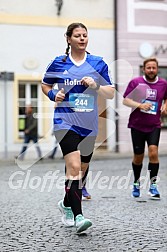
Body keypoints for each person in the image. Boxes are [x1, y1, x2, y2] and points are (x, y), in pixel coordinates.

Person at [41, 22, 115, 233]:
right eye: (78, 35)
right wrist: (54, 95)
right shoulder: (59, 63)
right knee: (73, 167)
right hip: (64, 122)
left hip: (89, 124)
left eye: (85, 35)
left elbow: (110, 92)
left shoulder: (97, 63)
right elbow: (45, 84)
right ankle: (79, 216)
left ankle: (66, 203)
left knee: (81, 171)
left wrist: (95, 85)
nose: (82, 38)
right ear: (68, 39)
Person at [123, 57, 167, 199]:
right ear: (144, 69)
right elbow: (125, 100)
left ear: (157, 69)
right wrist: (140, 105)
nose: (151, 70)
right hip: (137, 125)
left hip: (154, 124)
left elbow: (166, 98)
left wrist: (165, 106)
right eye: (149, 67)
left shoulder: (163, 83)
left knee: (153, 153)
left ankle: (153, 186)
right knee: (138, 157)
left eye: (154, 67)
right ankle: (136, 183)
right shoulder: (136, 82)